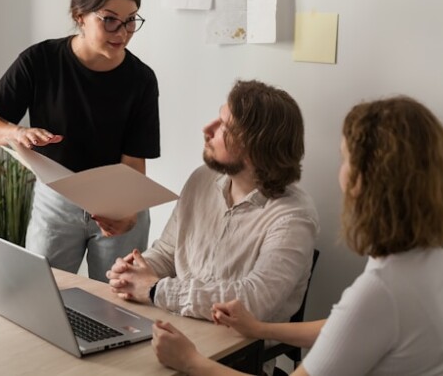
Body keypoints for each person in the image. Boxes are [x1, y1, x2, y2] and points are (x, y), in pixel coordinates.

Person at [152, 96, 443, 376]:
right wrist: (260, 328)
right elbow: (345, 328)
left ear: (365, 181)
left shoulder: (381, 290)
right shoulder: (436, 251)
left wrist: (191, 361)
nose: (340, 171)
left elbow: (362, 316)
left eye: (345, 159)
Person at [0, 0, 160, 282]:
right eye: (110, 19)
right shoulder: (39, 60)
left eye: (131, 20)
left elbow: (133, 163)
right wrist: (17, 132)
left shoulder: (141, 79)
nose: (122, 31)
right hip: (56, 204)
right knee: (40, 293)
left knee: (119, 304)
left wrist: (127, 215)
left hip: (117, 202)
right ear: (79, 16)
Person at [107, 80, 319, 327]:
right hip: (179, 322)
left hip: (239, 347)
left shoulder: (293, 216)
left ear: (255, 147)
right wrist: (133, 272)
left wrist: (156, 290)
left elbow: (254, 302)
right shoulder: (202, 179)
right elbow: (168, 252)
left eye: (225, 128)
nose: (207, 129)